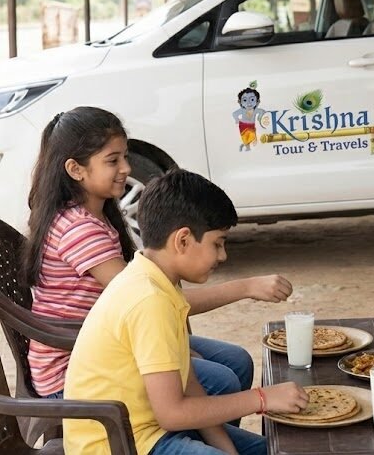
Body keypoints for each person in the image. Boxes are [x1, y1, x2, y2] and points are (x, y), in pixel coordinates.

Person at [20, 106, 293, 404]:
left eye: (124, 156)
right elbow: (146, 299)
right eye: (113, 160)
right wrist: (246, 287)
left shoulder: (95, 216)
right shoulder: (81, 230)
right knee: (221, 378)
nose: (125, 167)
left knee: (235, 359)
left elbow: (152, 297)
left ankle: (210, 441)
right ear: (75, 170)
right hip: (75, 373)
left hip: (116, 342)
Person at [64, 167, 307, 455]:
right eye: (217, 243)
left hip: (151, 431)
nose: (222, 255)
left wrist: (228, 449)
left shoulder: (159, 282)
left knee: (273, 450)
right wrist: (262, 398)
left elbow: (189, 384)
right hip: (121, 445)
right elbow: (173, 414)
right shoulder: (149, 299)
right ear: (182, 240)